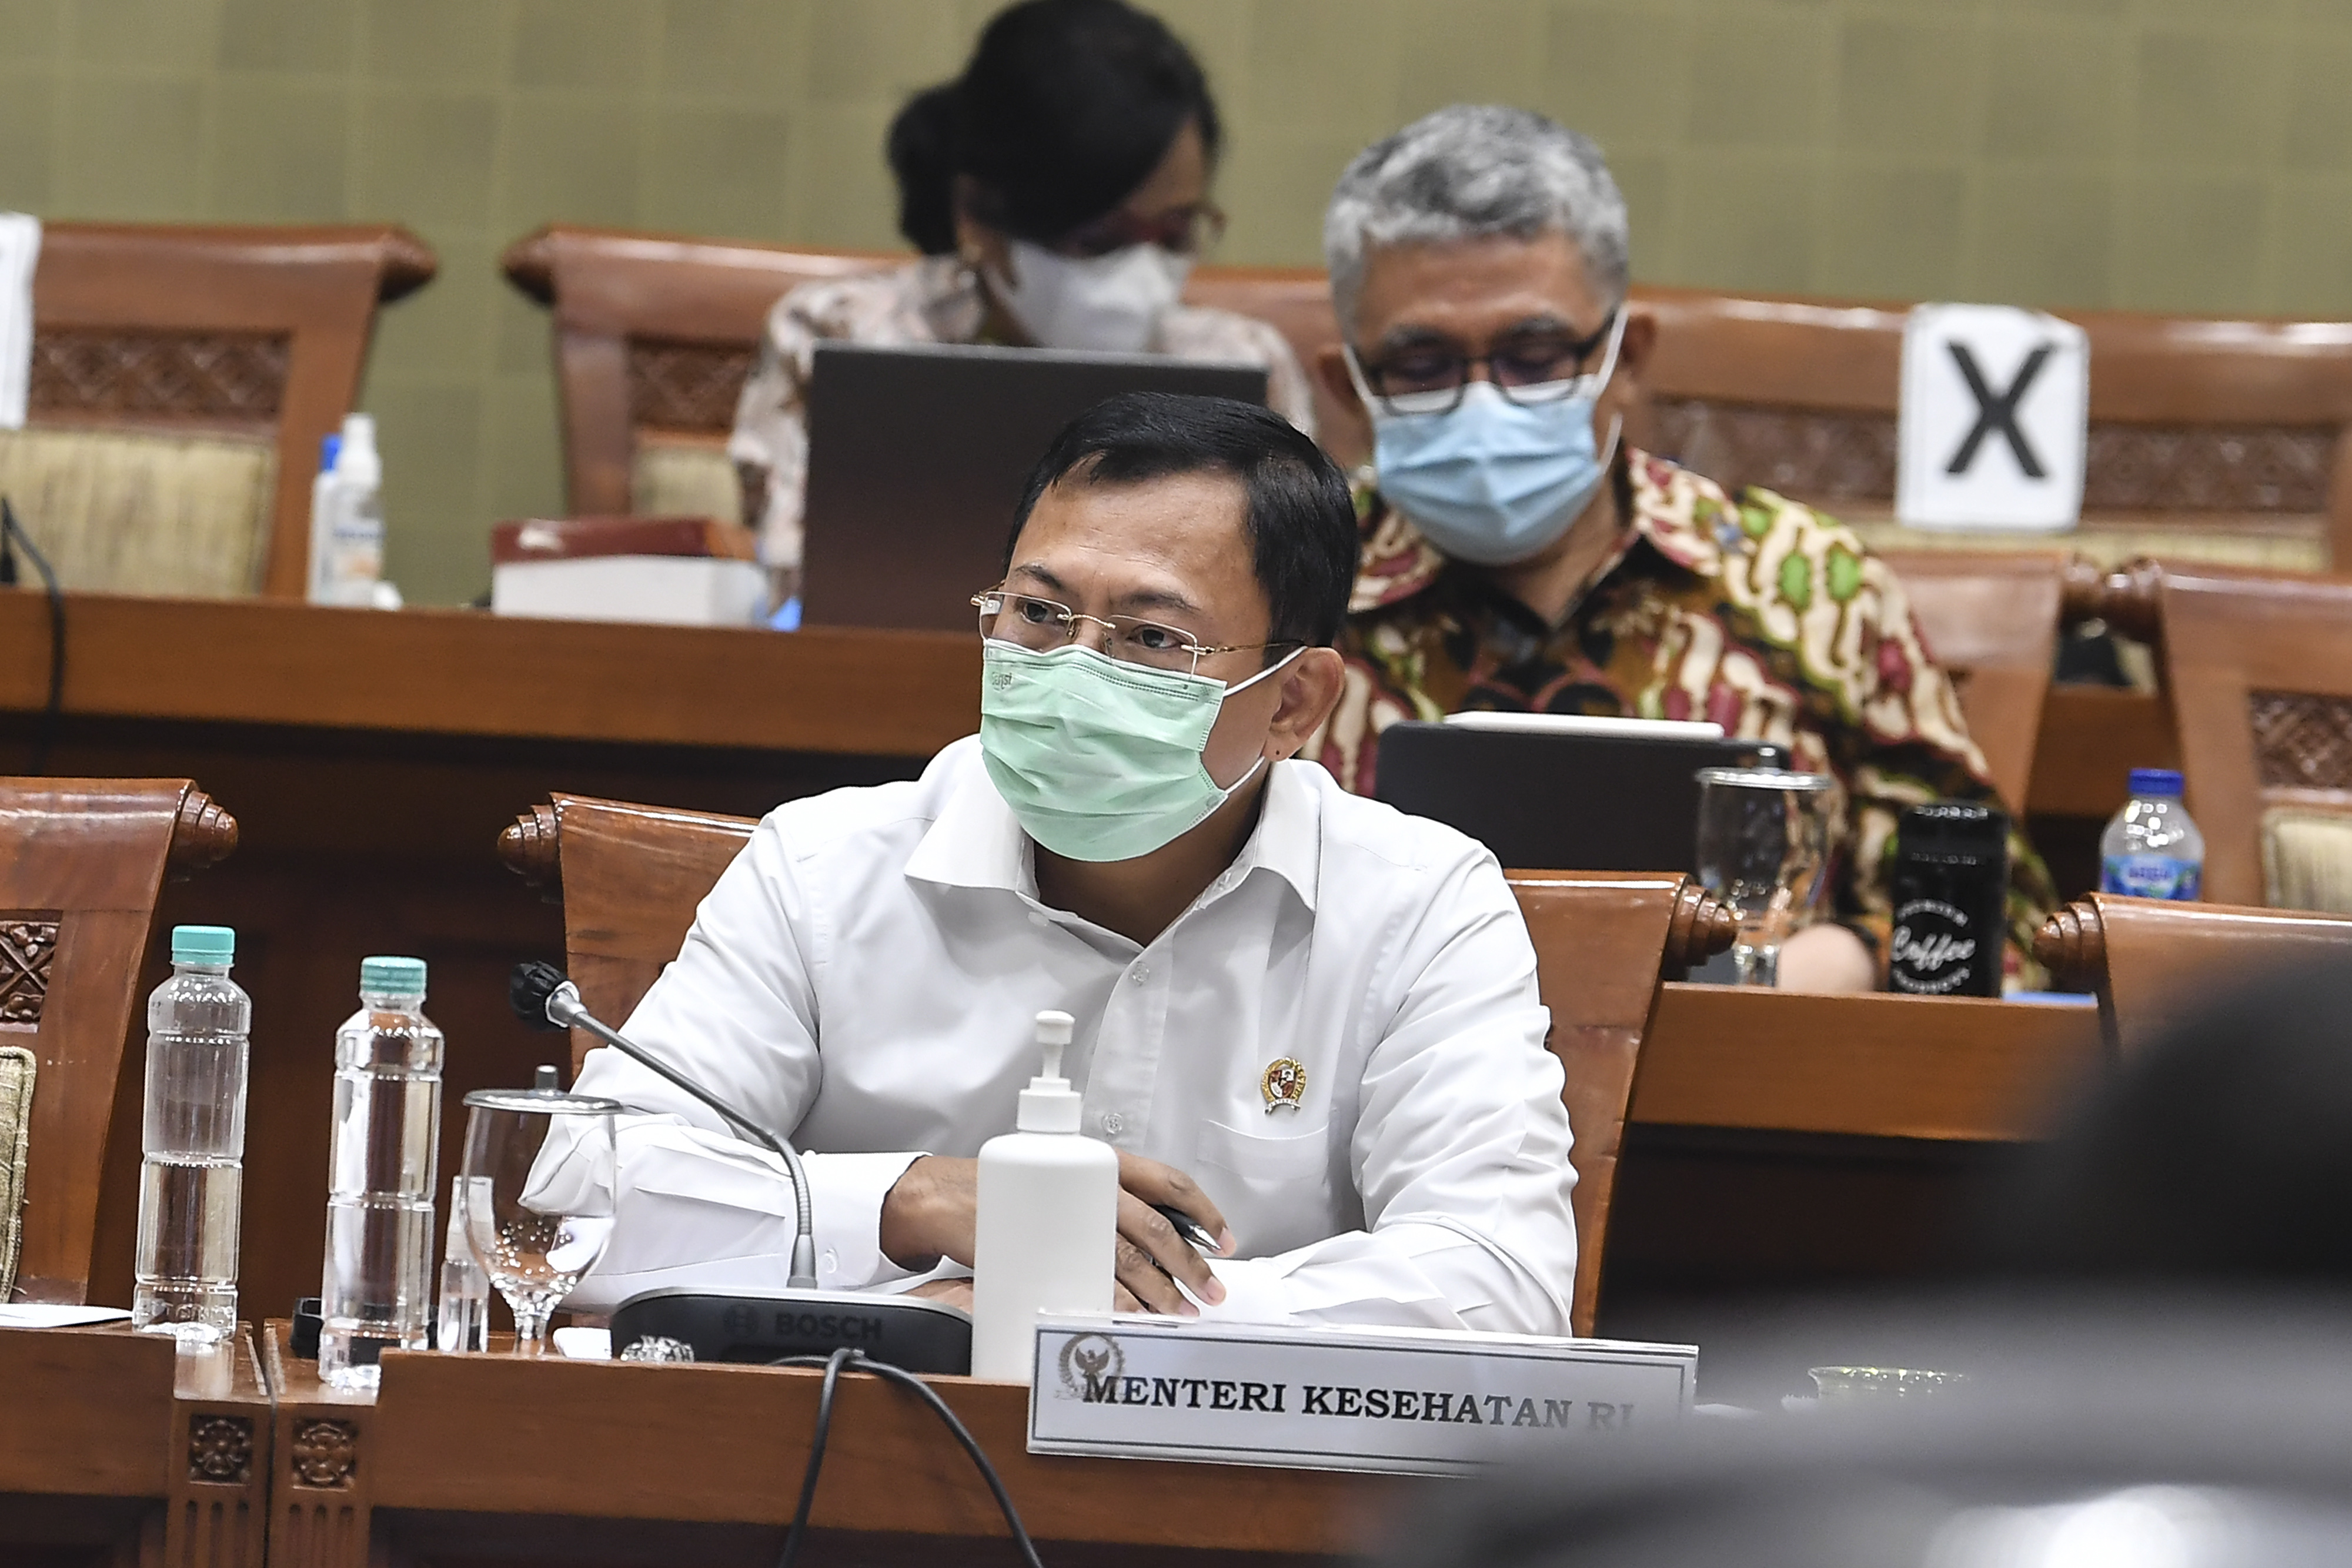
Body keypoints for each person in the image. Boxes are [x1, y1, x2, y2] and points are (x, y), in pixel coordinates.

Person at [569, 392, 1578, 1333]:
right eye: (1040, 616)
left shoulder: (1418, 905)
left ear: (1295, 702)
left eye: (1151, 636)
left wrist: (1094, 1310)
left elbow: (1499, 1279)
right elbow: (588, 1202)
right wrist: (904, 1202)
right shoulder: (824, 869)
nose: (1071, 673)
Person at [1305, 105, 2057, 992]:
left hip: (1748, 1091)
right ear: (1347, 384)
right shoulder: (1285, 585)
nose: (1486, 401)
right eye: (1423, 363)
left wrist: (1801, 968)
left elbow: (2002, 930)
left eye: (1535, 355)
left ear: (1628, 356)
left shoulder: (1807, 582)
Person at [728, 0, 1316, 586]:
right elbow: (792, 579)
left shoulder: (1244, 368)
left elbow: (1292, 602)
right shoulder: (837, 335)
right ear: (977, 214)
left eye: (1174, 231)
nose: (1141, 271)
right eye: (1099, 238)